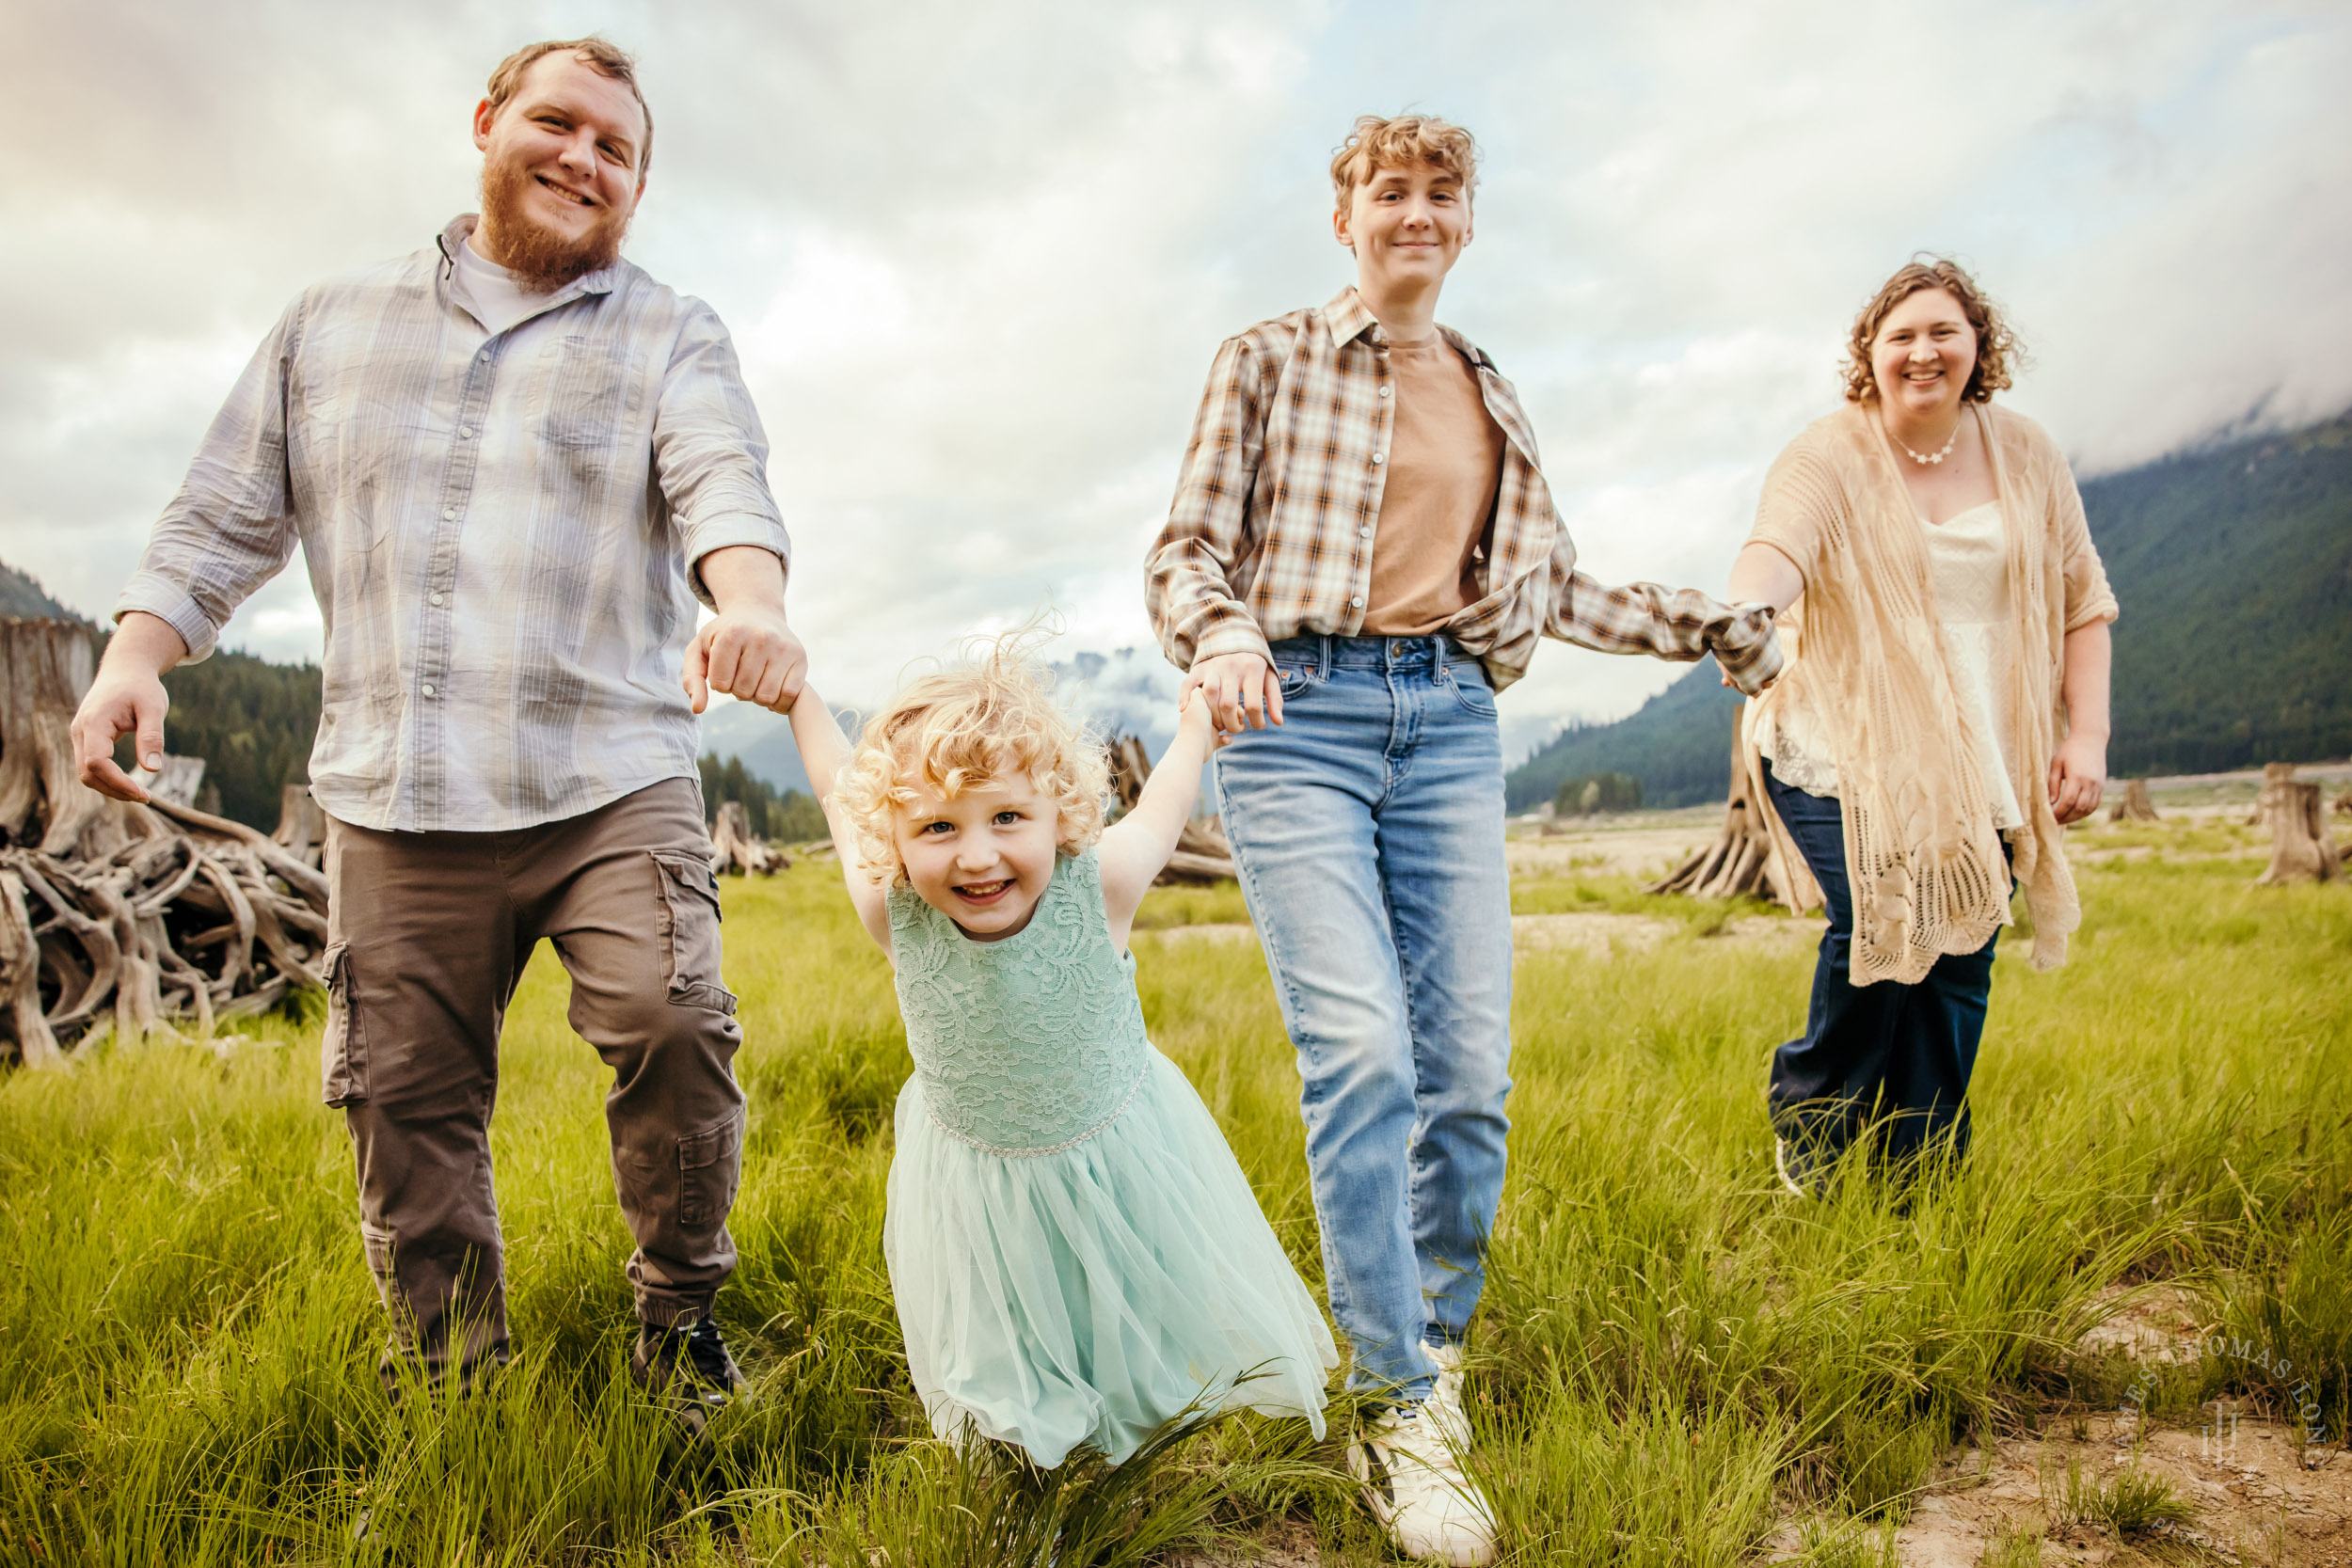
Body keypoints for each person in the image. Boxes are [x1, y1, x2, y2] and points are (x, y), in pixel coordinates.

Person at [68, 38, 803, 1431]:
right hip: (396, 787)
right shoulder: (328, 322)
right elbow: (222, 513)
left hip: (608, 770)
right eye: (558, 124)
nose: (584, 159)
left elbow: (724, 481)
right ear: (486, 123)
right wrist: (134, 655)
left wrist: (749, 604)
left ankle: (679, 1316)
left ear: (638, 185)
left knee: (674, 1021)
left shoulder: (670, 331)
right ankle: (454, 1387)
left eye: (618, 150)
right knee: (403, 1098)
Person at [1143, 114, 1783, 1565]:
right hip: (1293, 714)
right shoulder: (1267, 357)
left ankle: (1433, 1339)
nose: (1415, 212)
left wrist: (1713, 630)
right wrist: (1229, 636)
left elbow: (1549, 588)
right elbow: (1183, 547)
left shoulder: (1494, 391)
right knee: (1362, 1050)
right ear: (1344, 217)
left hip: (1446, 725)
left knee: (1471, 1073)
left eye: (1443, 193)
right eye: (1389, 190)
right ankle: (1390, 1402)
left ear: (1470, 223)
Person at [781, 638, 1337, 1467]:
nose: (976, 854)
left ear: (1060, 812)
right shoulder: (891, 909)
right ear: (892, 835)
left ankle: (1132, 1453)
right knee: (1001, 1340)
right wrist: (795, 695)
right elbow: (835, 785)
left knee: (1125, 1325)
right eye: (937, 826)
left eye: (1007, 816)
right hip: (978, 1179)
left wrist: (1196, 729)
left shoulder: (1101, 883)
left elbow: (1161, 810)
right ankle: (1029, 1462)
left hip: (1113, 1156)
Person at [1725, 257, 2117, 1194]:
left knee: (1961, 946)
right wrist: (1740, 608)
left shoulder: (2024, 451)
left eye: (1943, 329)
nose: (1922, 350)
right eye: (1899, 335)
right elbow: (1777, 547)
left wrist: (2086, 734)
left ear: (1978, 344)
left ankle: (1921, 1164)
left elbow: (2081, 601)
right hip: (1836, 737)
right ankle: (1812, 1107)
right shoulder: (1827, 452)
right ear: (1869, 355)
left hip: (1982, 741)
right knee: (1879, 913)